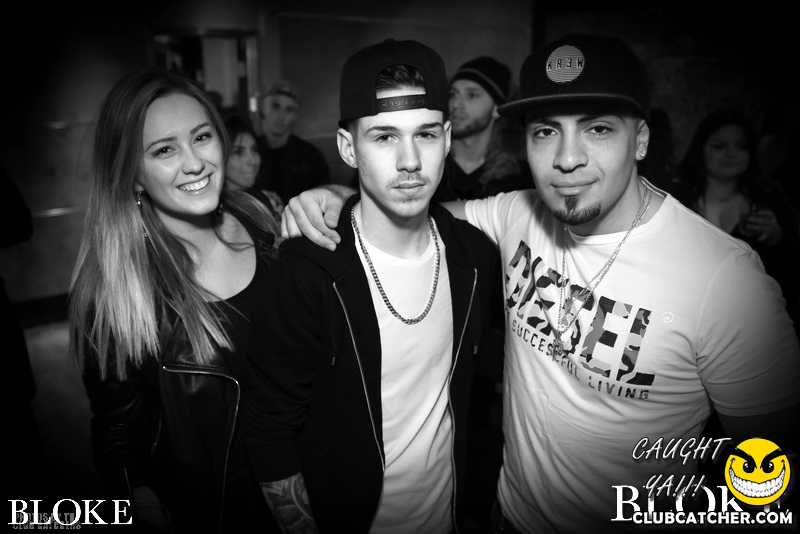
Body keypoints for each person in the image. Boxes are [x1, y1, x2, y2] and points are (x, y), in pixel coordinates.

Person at [279, 34, 800, 533]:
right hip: (508, 515)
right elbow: (405, 214)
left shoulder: (727, 281)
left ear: (640, 139)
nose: (568, 158)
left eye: (598, 129)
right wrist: (337, 196)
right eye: (546, 131)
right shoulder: (517, 213)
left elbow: (774, 473)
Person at [243, 38, 499, 534]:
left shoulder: (472, 257)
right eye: (384, 137)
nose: (410, 161)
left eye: (426, 134)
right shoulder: (306, 272)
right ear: (348, 147)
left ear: (447, 138)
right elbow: (269, 428)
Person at [68, 67, 282, 533]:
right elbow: (120, 432)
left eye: (201, 137)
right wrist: (140, 501)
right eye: (164, 150)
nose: (194, 163)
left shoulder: (264, 220)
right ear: (134, 176)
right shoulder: (118, 293)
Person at [675, 107, 800, 328]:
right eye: (719, 146)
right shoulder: (677, 198)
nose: (731, 154)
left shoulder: (768, 197)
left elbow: (791, 266)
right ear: (701, 149)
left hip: (754, 322)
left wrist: (777, 236)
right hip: (687, 317)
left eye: (741, 146)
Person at [436, 56, 531, 202]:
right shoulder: (432, 163)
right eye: (453, 94)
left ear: (496, 109)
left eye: (472, 95)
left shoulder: (518, 178)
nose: (455, 104)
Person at [255, 79, 331, 205]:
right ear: (264, 108)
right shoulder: (249, 152)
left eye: (289, 109)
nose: (281, 116)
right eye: (275, 106)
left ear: (295, 116)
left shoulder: (311, 157)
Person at [224, 113, 285, 220]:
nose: (252, 161)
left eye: (254, 149)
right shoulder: (211, 212)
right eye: (238, 152)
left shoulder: (271, 201)